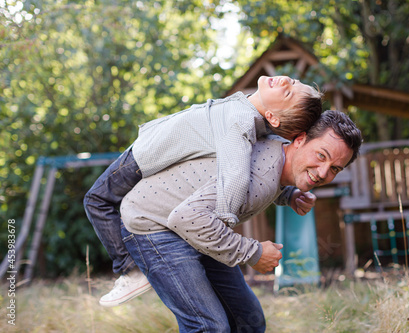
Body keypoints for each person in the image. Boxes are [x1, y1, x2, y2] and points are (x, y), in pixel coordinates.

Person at [83, 76, 323, 306]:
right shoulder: (249, 114)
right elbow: (263, 164)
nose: (284, 81)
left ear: (272, 116)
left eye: (289, 92)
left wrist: (223, 217)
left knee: (95, 200)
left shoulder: (241, 122)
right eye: (293, 81)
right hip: (148, 149)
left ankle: (129, 270)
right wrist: (288, 194)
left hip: (143, 157)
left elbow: (239, 175)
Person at [119, 110, 363, 332]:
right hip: (152, 225)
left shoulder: (276, 150)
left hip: (197, 225)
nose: (322, 172)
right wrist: (253, 252)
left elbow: (260, 180)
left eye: (334, 169)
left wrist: (288, 194)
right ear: (299, 140)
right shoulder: (261, 178)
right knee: (208, 326)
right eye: (321, 155)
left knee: (248, 319)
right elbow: (187, 218)